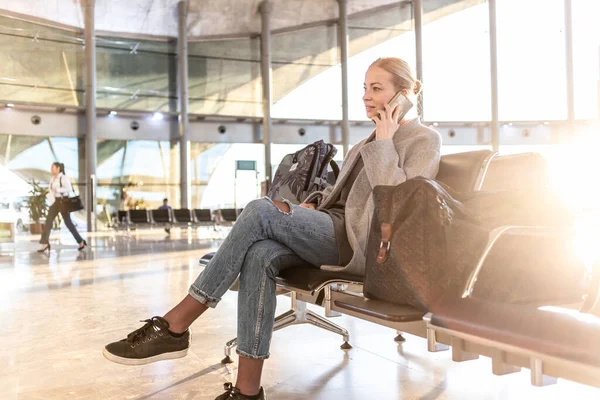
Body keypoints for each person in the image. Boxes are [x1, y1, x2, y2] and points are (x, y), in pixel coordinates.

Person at [103, 57, 442, 400]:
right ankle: (247, 390)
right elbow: (343, 192)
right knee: (260, 254)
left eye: (376, 88)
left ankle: (176, 324)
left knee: (259, 211)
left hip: (356, 244)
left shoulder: (423, 140)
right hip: (329, 227)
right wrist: (312, 201)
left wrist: (385, 142)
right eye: (365, 88)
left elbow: (401, 206)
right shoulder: (367, 140)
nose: (366, 96)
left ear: (403, 94)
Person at [38, 162, 87, 252]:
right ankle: (45, 243)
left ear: (58, 168)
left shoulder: (63, 178)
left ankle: (80, 241)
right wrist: (49, 194)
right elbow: (51, 189)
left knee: (68, 223)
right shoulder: (53, 179)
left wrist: (58, 189)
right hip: (55, 202)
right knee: (48, 221)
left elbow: (69, 189)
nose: (51, 169)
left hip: (63, 202)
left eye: (53, 167)